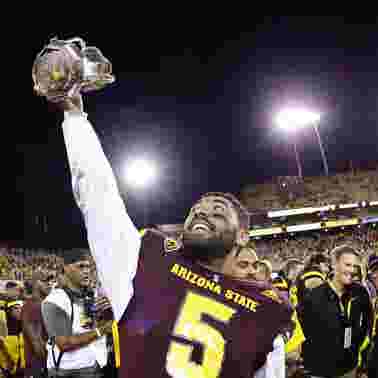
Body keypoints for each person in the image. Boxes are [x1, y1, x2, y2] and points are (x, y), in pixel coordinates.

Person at [48, 92, 293, 378]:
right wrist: (75, 118)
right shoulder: (146, 262)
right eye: (196, 210)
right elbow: (99, 197)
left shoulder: (266, 308)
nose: (202, 212)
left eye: (217, 210)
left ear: (242, 236)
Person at [301, 245, 372, 378]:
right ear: (334, 264)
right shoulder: (314, 297)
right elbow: (304, 335)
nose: (351, 270)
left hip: (351, 368)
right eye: (347, 265)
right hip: (320, 372)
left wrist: (361, 360)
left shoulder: (360, 292)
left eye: (355, 266)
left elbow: (368, 325)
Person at [41, 250, 113, 377]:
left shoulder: (90, 296)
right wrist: (101, 330)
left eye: (88, 266)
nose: (86, 271)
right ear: (66, 269)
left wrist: (106, 313)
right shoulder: (54, 301)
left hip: (96, 365)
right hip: (69, 371)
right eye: (81, 266)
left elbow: (88, 326)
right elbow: (65, 343)